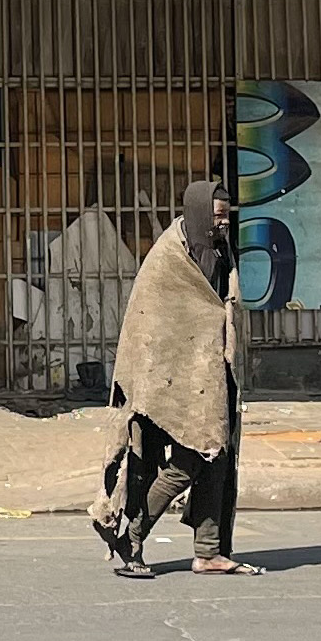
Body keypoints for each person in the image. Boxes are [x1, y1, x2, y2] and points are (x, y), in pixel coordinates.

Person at [96, 180, 250, 579]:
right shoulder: (173, 257)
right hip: (167, 379)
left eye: (227, 216)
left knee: (216, 459)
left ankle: (209, 552)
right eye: (217, 216)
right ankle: (131, 537)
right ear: (200, 214)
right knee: (189, 460)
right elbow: (159, 319)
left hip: (210, 373)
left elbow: (218, 307)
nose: (223, 223)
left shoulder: (217, 249)